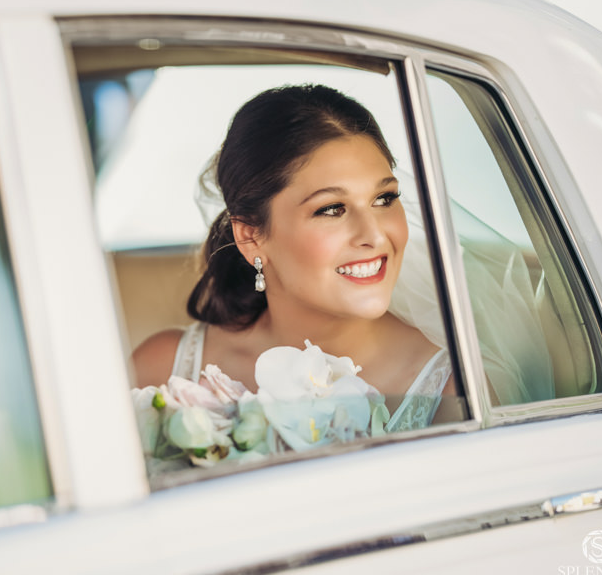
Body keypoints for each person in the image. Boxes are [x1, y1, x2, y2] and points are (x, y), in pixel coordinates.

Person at [133, 83, 457, 430]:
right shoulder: (160, 371)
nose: (375, 236)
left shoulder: (453, 391)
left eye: (384, 199)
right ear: (250, 237)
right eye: (332, 209)